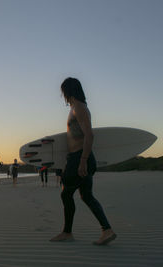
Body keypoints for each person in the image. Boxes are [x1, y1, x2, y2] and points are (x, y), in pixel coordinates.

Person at [50, 77, 116, 245]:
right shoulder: (75, 108)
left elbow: (89, 135)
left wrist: (83, 161)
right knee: (86, 196)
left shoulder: (79, 108)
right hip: (78, 157)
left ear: (68, 91)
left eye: (63, 92)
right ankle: (107, 230)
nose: (62, 95)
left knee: (66, 194)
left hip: (80, 158)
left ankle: (67, 233)